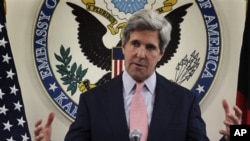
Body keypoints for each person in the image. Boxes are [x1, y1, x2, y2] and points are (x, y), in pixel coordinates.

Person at [34, 9, 242, 141]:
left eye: (150, 47)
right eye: (135, 43)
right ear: (123, 46)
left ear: (161, 53)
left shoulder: (185, 102)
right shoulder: (92, 101)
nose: (141, 54)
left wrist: (238, 135)